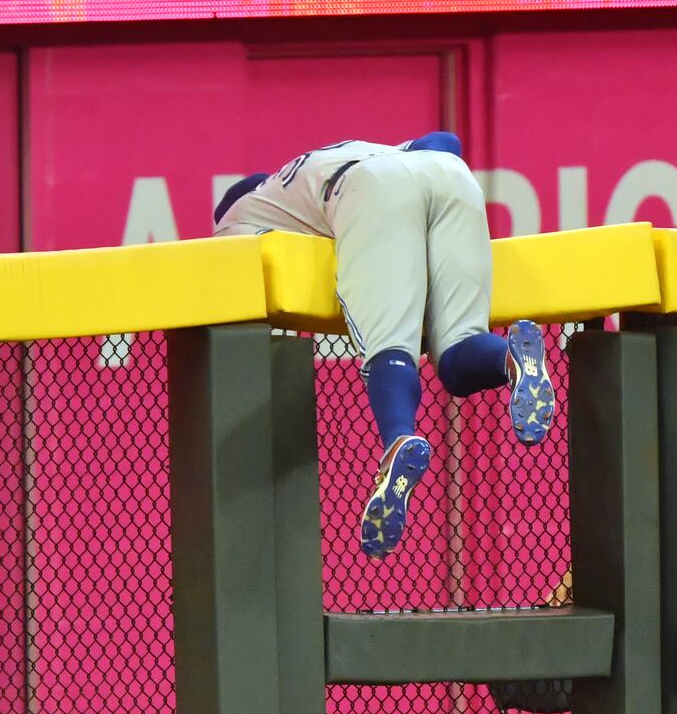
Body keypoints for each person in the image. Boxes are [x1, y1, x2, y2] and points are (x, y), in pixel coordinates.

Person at [214, 133, 555, 559]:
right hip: (449, 176)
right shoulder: (342, 152)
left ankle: (399, 439)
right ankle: (511, 358)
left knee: (390, 348)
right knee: (457, 353)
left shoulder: (240, 216)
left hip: (368, 190)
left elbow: (225, 276)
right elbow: (445, 142)